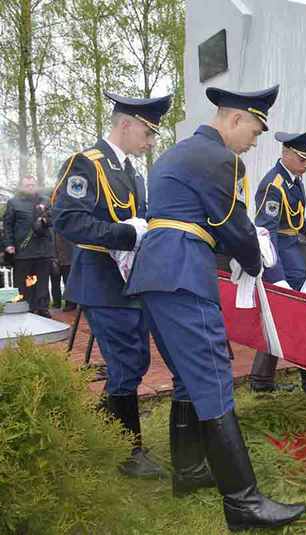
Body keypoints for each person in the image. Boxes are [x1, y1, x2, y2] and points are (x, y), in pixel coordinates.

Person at [125, 86, 306, 530]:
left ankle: (188, 473)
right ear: (234, 119)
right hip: (184, 273)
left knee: (189, 380)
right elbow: (234, 225)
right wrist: (255, 263)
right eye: (255, 130)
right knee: (214, 378)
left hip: (157, 273)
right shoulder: (221, 159)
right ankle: (243, 504)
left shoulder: (174, 154)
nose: (254, 141)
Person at [51, 92, 171, 478]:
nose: (151, 141)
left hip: (128, 279)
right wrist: (123, 233)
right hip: (101, 279)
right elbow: (68, 221)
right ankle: (128, 452)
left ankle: (104, 434)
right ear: (126, 124)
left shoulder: (132, 172)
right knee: (127, 362)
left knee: (133, 360)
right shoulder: (86, 164)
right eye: (148, 132)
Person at [249, 129, 306, 395]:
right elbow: (265, 233)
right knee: (300, 314)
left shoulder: (294, 180)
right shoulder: (274, 185)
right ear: (285, 153)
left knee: (283, 316)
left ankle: (262, 380)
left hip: (293, 250)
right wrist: (276, 275)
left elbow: (295, 219)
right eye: (302, 158)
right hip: (279, 256)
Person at [3, 175, 54, 316]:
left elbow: (54, 219)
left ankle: (43, 308)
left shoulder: (46, 200)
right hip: (23, 251)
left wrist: (44, 219)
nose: (30, 187)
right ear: (21, 187)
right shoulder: (14, 202)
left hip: (43, 249)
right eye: (27, 185)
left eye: (32, 184)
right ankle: (27, 308)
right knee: (24, 283)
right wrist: (8, 245)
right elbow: (8, 225)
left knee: (42, 281)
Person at [53, 231, 76, 311]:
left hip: (68, 258)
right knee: (55, 283)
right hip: (55, 258)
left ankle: (70, 304)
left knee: (68, 282)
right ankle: (56, 304)